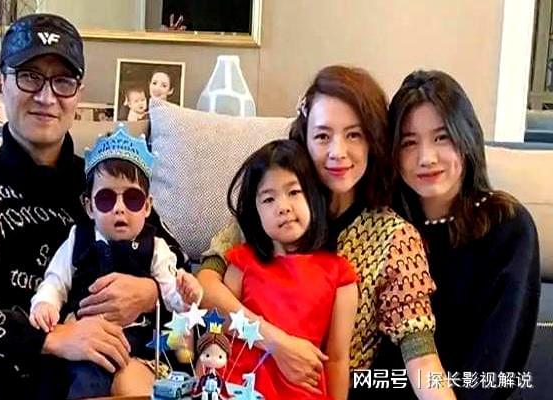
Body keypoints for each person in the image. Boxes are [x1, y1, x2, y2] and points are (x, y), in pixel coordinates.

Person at [0, 13, 186, 400]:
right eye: (30, 76)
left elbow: (177, 265)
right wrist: (52, 337)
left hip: (96, 374)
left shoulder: (107, 186)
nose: (46, 97)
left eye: (63, 81)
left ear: (78, 93)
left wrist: (151, 292)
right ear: (1, 83)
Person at [196, 65, 456, 399]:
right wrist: (276, 343)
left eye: (354, 135)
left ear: (373, 140)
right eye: (322, 136)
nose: (338, 152)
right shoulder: (276, 207)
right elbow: (207, 284)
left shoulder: (394, 238)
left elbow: (421, 356)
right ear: (304, 138)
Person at [383, 69, 541, 400]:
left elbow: (494, 370)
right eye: (409, 142)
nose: (426, 158)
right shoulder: (387, 227)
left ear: (466, 138)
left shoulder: (508, 227)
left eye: (441, 137)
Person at [29, 127, 202, 398]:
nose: (119, 208)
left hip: (140, 346)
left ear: (147, 206)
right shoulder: (79, 238)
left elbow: (171, 293)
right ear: (89, 207)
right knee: (82, 385)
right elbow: (56, 280)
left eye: (132, 199)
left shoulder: (156, 247)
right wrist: (45, 304)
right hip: (88, 345)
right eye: (106, 199)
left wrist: (186, 294)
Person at [222, 139, 358, 399]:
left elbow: (338, 359)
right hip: (237, 388)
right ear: (255, 212)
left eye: (294, 192)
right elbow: (221, 324)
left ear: (314, 196)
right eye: (268, 199)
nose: (283, 207)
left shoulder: (340, 275)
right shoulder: (242, 261)